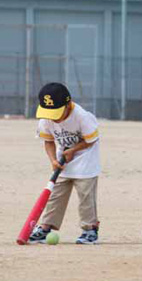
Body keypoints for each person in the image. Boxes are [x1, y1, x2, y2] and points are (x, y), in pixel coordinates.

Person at [29, 82, 101, 244]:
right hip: (63, 164)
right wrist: (53, 160)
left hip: (85, 162)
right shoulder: (47, 119)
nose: (53, 117)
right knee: (55, 196)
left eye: (56, 112)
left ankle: (90, 230)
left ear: (68, 104)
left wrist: (73, 150)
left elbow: (91, 140)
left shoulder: (82, 116)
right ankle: (45, 228)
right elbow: (48, 141)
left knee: (85, 197)